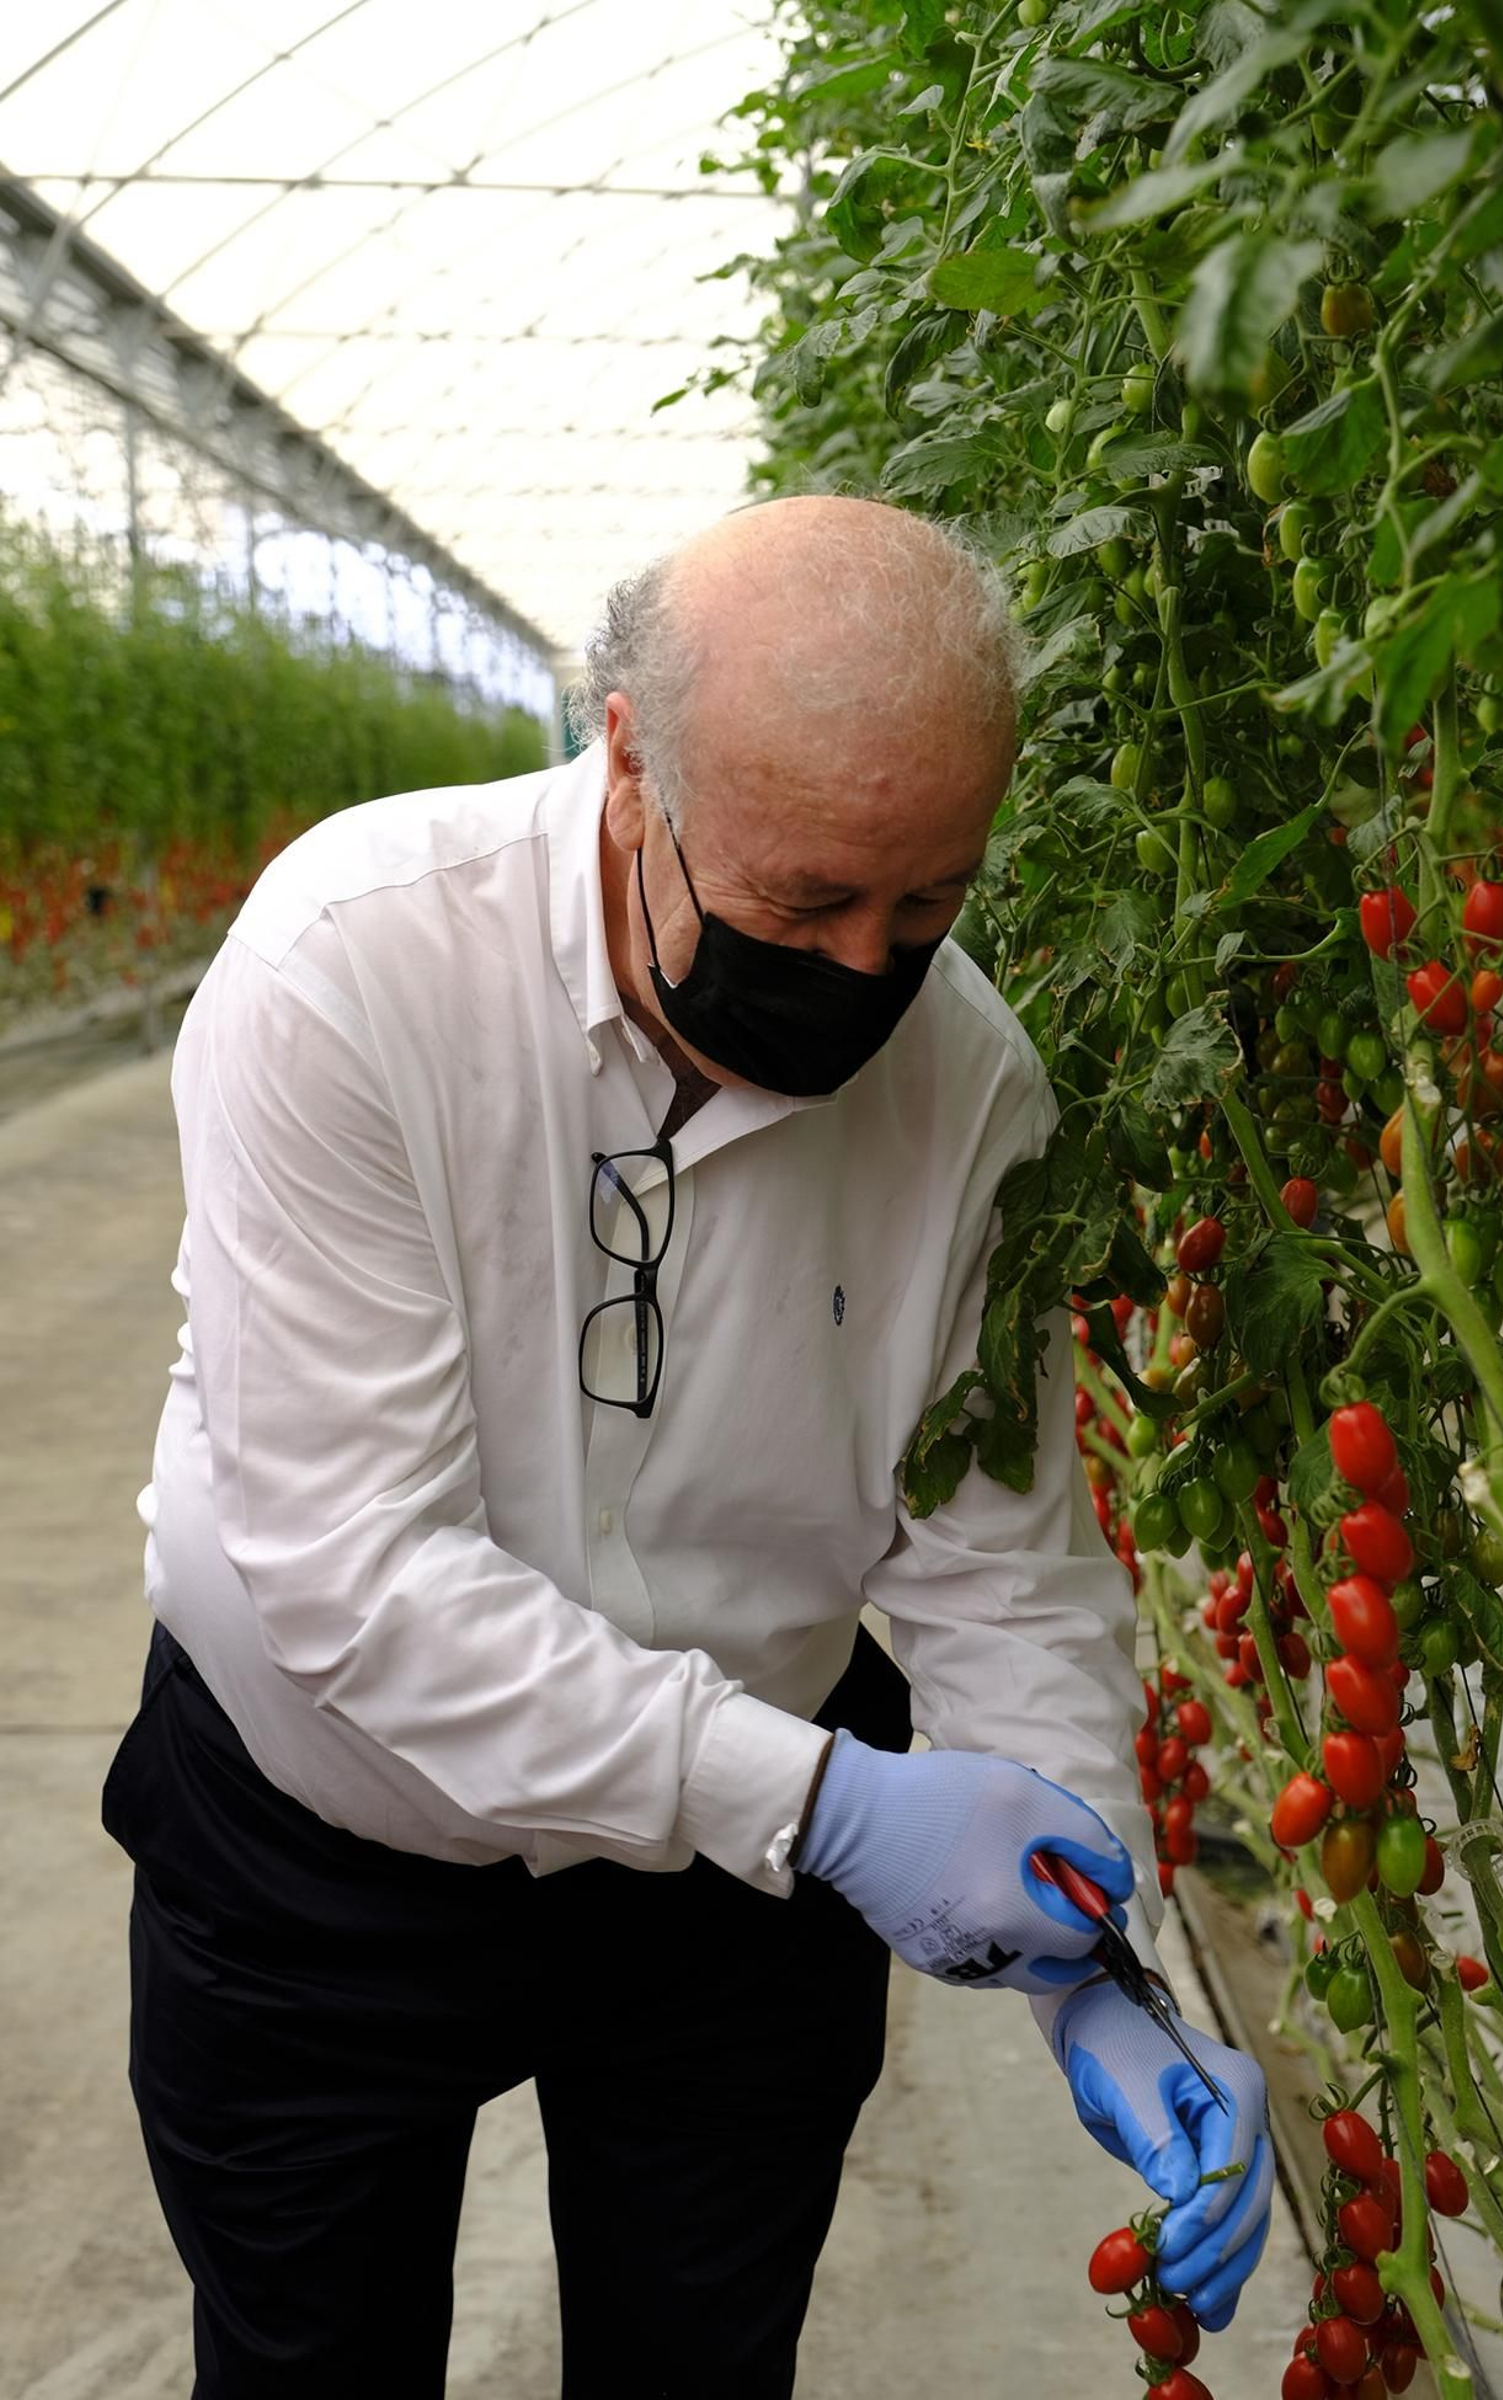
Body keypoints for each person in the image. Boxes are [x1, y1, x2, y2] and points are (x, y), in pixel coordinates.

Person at [104, 494, 1273, 2399]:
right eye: (803, 902)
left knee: (703, 2358)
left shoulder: (971, 1086)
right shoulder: (357, 968)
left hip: (734, 1908)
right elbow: (354, 1574)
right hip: (325, 1846)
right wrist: (824, 1805)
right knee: (308, 2355)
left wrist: (1089, 1959)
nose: (864, 967)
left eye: (928, 903)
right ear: (625, 755)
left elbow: (994, 1548)